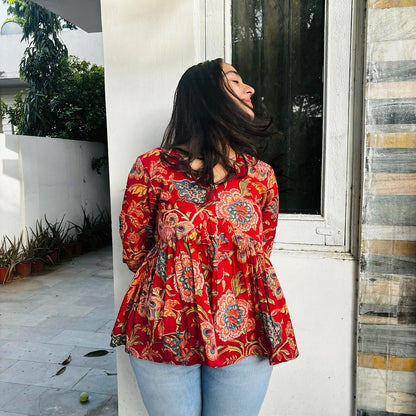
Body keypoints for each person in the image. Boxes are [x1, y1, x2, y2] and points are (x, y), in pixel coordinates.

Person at [111, 58, 299, 416]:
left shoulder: (261, 177)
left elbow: (260, 251)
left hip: (243, 327)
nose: (250, 89)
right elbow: (135, 251)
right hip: (164, 327)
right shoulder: (152, 168)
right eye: (235, 81)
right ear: (206, 95)